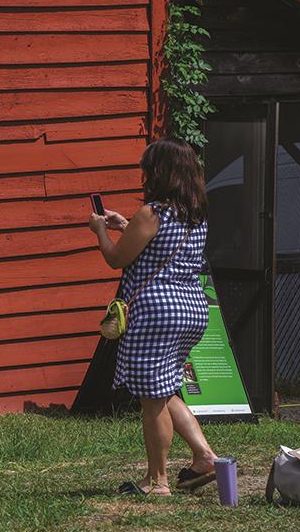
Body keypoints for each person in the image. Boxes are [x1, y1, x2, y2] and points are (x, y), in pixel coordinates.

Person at [88, 137, 219, 496]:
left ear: (159, 171)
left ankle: (157, 481)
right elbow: (157, 246)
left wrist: (101, 231)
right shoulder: (195, 214)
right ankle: (204, 456)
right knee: (164, 387)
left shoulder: (153, 213)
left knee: (151, 400)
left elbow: (117, 259)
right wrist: (123, 223)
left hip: (156, 312)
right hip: (192, 308)